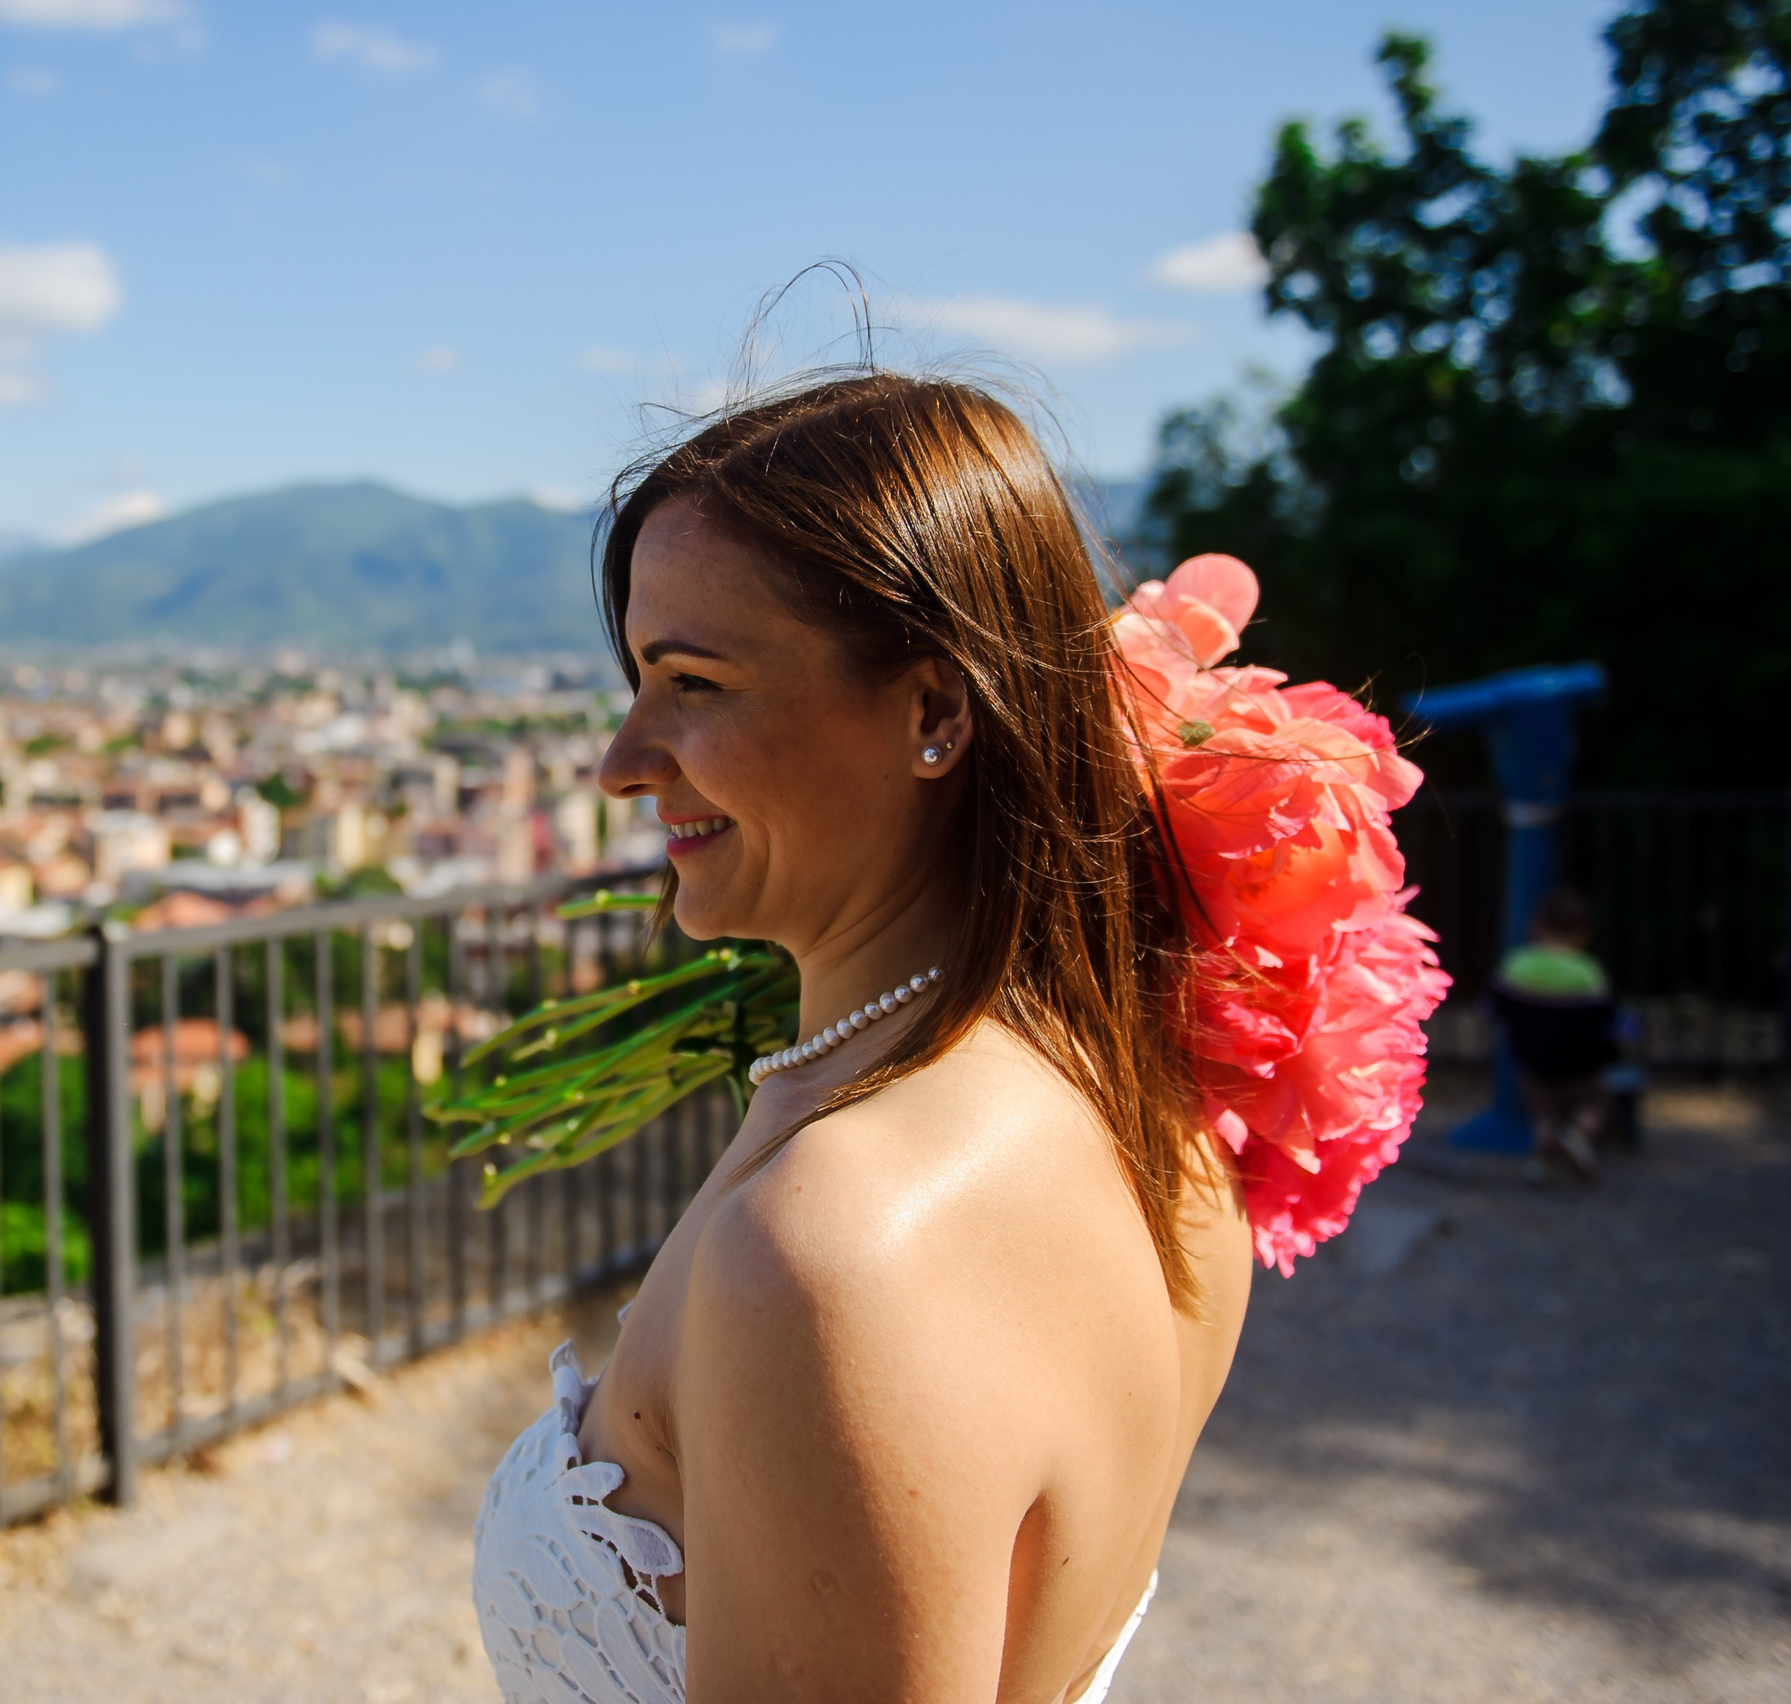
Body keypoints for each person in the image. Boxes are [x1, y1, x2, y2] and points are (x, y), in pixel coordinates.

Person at [470, 372, 1444, 1704]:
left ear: (936, 713)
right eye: (640, 679)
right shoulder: (1166, 1131)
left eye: (694, 684)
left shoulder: (833, 1246)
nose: (622, 759)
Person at [1490, 888, 1619, 1182]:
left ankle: (1538, 1166)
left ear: (1536, 926)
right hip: (1582, 1063)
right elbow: (1606, 1019)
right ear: (1584, 933)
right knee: (1595, 1103)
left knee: (1543, 1114)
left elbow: (1493, 1007)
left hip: (1533, 1059)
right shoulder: (1587, 972)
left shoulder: (1517, 965)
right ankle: (1578, 1133)